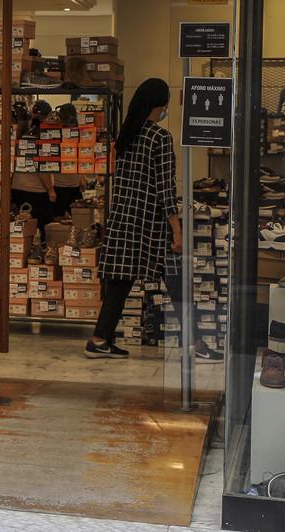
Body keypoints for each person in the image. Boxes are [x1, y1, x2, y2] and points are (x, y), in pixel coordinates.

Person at [87, 78, 178, 359]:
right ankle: (198, 343)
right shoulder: (160, 138)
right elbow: (165, 187)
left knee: (118, 280)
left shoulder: (126, 134)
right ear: (160, 105)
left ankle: (100, 340)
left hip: (122, 216)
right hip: (148, 221)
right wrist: (178, 230)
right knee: (177, 278)